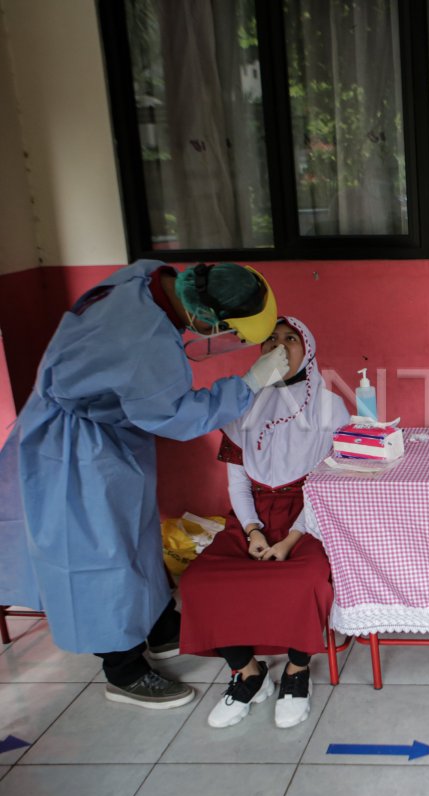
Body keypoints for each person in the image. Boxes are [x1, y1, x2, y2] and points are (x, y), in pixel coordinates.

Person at [0, 260, 288, 709]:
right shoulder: (144, 343)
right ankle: (123, 669)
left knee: (134, 537)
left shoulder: (147, 277)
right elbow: (178, 415)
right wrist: (249, 382)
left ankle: (158, 625)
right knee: (100, 551)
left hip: (107, 437)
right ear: (206, 319)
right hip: (74, 451)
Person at [180, 317, 348, 729]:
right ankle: (249, 672)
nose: (278, 347)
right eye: (269, 340)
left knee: (302, 578)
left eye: (290, 339)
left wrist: (291, 540)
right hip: (252, 514)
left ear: (307, 349)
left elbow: (328, 485)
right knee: (199, 581)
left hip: (309, 515)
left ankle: (296, 670)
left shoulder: (331, 407)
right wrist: (253, 531)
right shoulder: (240, 406)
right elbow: (237, 481)